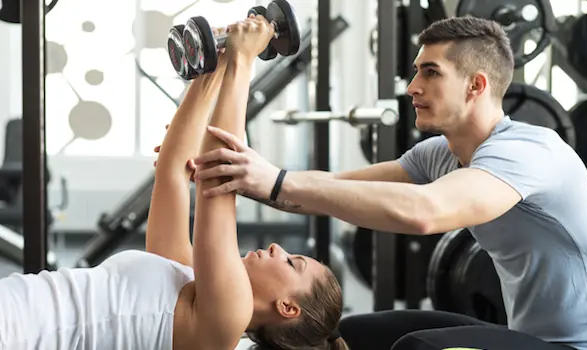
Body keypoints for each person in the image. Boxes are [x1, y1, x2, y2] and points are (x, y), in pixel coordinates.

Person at [186, 16, 587, 350]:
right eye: (416, 72)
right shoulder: (440, 154)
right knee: (353, 334)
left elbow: (424, 212)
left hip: (579, 347)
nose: (412, 87)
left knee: (418, 347)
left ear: (476, 85)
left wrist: (276, 181)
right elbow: (329, 190)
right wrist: (242, 174)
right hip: (525, 337)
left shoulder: (528, 150)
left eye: (430, 73)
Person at [0, 18, 348, 350]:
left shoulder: (226, 322)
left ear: (288, 307)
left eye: (291, 263)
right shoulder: (184, 277)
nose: (278, 249)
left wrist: (244, 61)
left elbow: (217, 189)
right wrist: (213, 68)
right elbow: (172, 171)